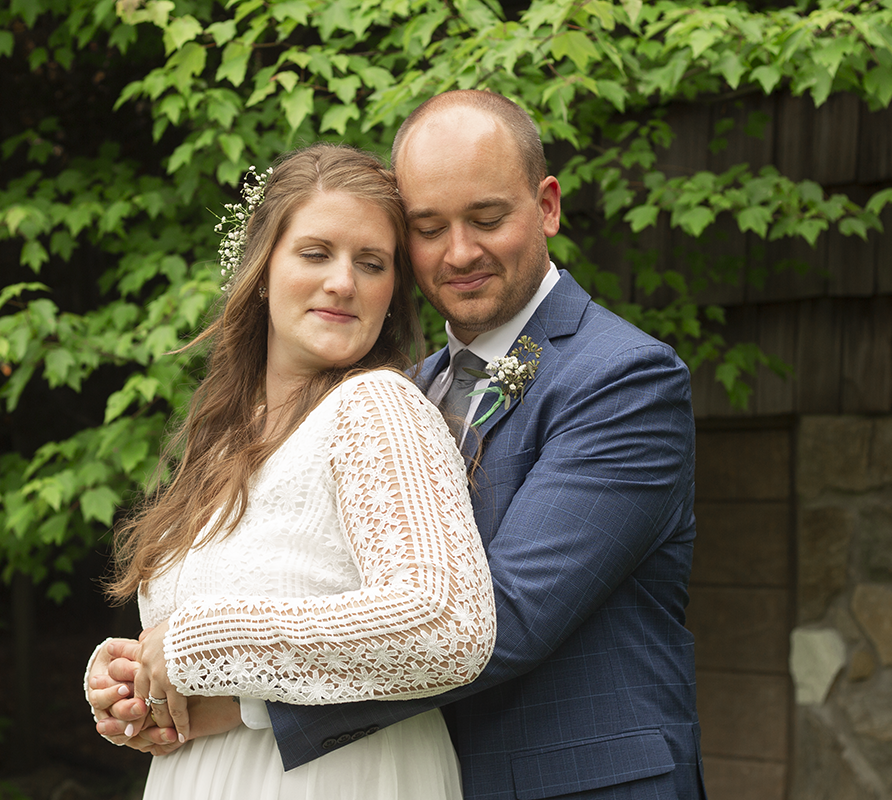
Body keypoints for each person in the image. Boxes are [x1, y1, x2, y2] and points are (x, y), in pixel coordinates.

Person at [91, 90, 707, 799]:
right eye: (428, 226)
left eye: (487, 218)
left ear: (547, 206)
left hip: (576, 784)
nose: (460, 251)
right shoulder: (396, 389)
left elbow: (501, 620)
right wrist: (137, 682)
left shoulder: (622, 378)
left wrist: (237, 701)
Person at [84, 142, 497, 800]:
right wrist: (133, 680)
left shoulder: (376, 409)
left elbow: (447, 627)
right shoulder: (222, 438)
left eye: (371, 263)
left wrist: (194, 641)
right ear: (263, 267)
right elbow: (205, 641)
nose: (343, 282)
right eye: (316, 253)